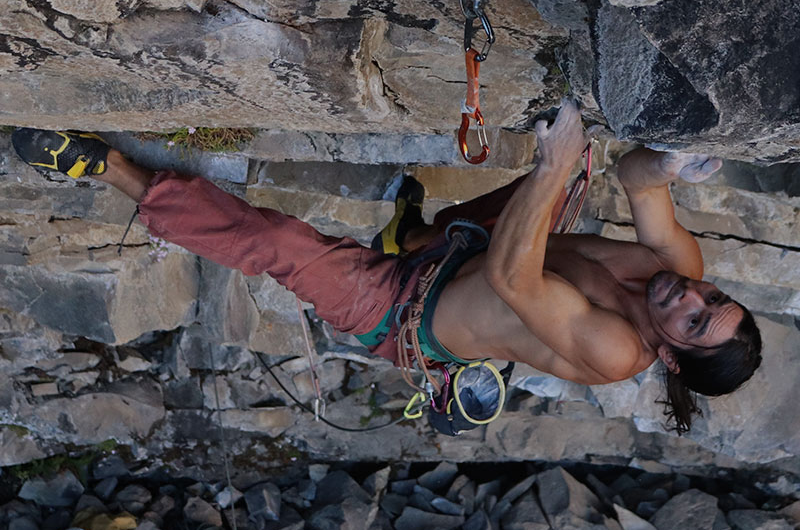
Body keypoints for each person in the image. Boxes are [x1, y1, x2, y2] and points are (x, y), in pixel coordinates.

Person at [11, 102, 761, 432]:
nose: (689, 290)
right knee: (572, 170)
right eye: (712, 294)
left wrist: (552, 168)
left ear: (667, 354)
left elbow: (515, 282)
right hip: (465, 253)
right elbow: (637, 180)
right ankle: (414, 231)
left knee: (280, 244)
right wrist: (666, 159)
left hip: (401, 315)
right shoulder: (677, 267)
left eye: (694, 318)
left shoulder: (613, 353)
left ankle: (107, 169)